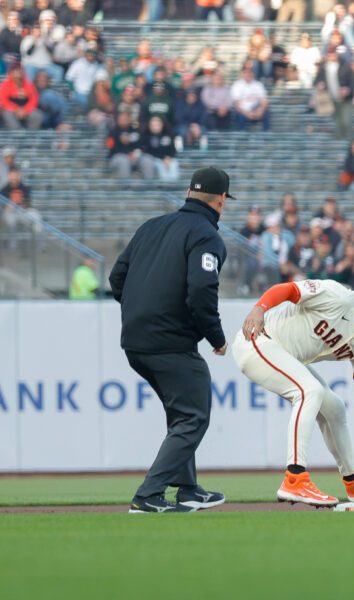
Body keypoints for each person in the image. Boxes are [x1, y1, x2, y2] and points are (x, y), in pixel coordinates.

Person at [232, 270, 354, 507]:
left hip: (286, 355)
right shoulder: (337, 296)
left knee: (334, 407)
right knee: (309, 390)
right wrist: (259, 308)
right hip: (258, 340)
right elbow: (289, 289)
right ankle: (294, 478)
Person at [109, 167, 234, 513]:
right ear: (221, 200)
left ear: (189, 193)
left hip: (135, 340)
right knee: (194, 416)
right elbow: (201, 291)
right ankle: (149, 494)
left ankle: (188, 489)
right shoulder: (207, 236)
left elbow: (116, 278)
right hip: (170, 343)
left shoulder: (152, 226)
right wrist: (216, 336)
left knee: (182, 413)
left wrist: (143, 310)